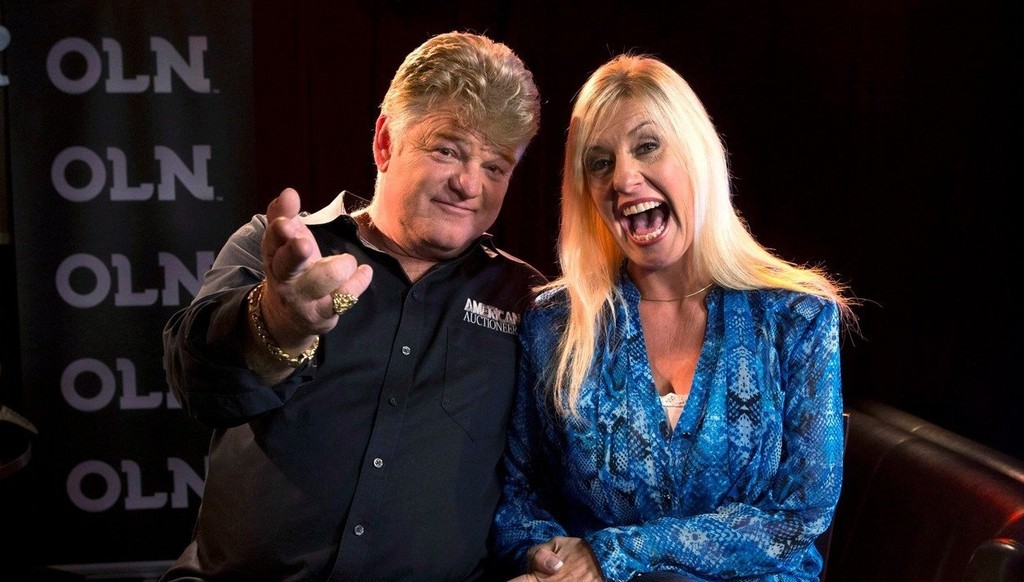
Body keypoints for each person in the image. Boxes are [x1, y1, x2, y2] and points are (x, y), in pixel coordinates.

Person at [161, 31, 543, 581]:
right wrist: (276, 325)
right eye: (448, 150)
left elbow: (550, 476)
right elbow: (195, 381)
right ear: (385, 143)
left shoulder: (527, 300)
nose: (468, 184)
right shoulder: (281, 251)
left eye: (495, 167)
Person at [490, 54, 859, 582]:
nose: (623, 178)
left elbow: (797, 517)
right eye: (600, 163)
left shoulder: (796, 317)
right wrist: (546, 559)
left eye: (647, 146)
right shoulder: (553, 325)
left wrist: (611, 554)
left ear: (696, 154)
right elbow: (521, 498)